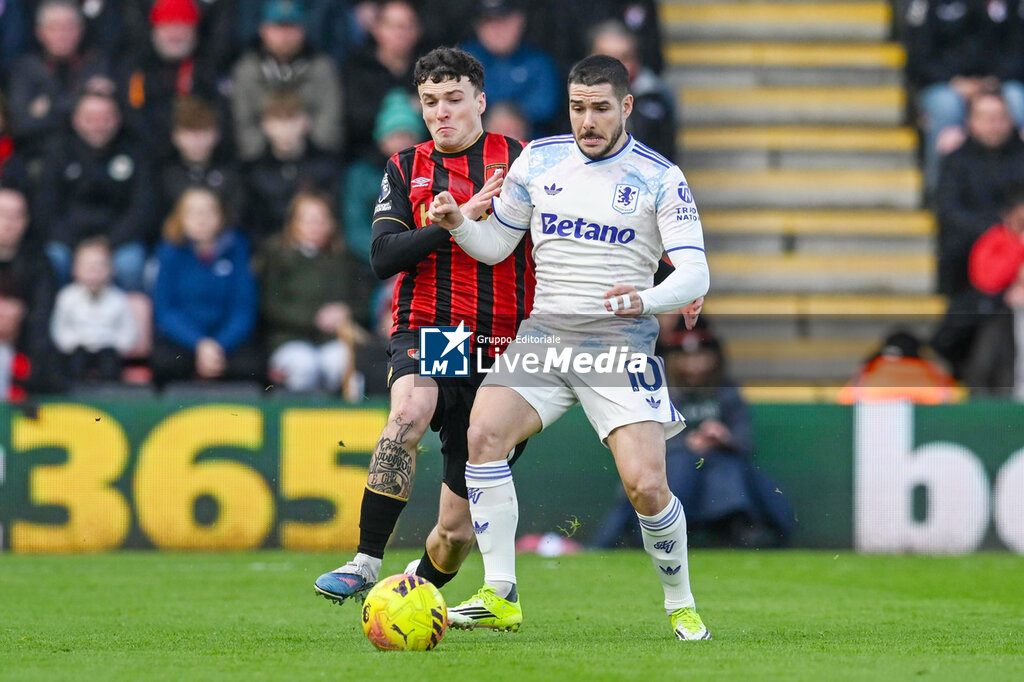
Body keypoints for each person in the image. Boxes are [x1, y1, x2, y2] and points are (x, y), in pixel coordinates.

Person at [428, 55, 710, 640]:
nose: (587, 120)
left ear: (626, 107)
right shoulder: (540, 159)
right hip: (546, 333)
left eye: (601, 108)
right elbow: (496, 246)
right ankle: (499, 593)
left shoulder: (660, 176)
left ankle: (680, 604)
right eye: (578, 107)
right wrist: (458, 222)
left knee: (647, 485)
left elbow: (694, 275)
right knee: (483, 434)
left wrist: (646, 299)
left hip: (617, 344)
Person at [313, 47, 535, 606]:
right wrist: (458, 220)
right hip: (433, 328)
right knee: (408, 413)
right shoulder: (405, 167)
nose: (442, 112)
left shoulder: (526, 163)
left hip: (505, 347)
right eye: (431, 101)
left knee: (455, 535)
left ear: (480, 102)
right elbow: (384, 256)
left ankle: (415, 594)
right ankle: (366, 561)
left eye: (455, 99)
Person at [593, 328, 792, 549]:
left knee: (728, 465)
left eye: (701, 356)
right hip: (673, 466)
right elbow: (644, 437)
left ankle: (739, 525)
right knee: (679, 467)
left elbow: (745, 442)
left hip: (720, 463)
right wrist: (685, 442)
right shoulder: (659, 389)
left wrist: (723, 437)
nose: (695, 363)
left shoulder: (726, 391)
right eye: (687, 357)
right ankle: (656, 532)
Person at [256, 190, 372, 397]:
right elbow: (270, 306)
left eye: (322, 219)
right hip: (289, 340)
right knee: (304, 366)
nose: (316, 226)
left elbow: (364, 301)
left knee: (343, 363)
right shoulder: (276, 256)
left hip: (334, 339)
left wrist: (345, 312)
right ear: (293, 223)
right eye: (309, 220)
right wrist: (313, 318)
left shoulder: (344, 258)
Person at [35, 90, 154, 291]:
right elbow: (45, 209)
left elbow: (144, 208)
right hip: (69, 241)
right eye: (90, 119)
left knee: (131, 265)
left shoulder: (135, 151)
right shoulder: (58, 152)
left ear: (118, 119)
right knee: (54, 259)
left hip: (118, 240)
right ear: (76, 120)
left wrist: (108, 243)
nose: (99, 126)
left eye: (106, 118)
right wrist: (79, 247)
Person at [151, 187, 262, 385]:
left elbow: (243, 309)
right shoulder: (169, 251)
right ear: (180, 218)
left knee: (250, 366)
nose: (201, 218)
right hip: (185, 339)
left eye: (208, 211)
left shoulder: (237, 248)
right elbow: (165, 311)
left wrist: (218, 344)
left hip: (226, 339)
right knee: (166, 363)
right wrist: (200, 344)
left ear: (220, 217)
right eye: (193, 212)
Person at [230, 0, 343, 161]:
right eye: (278, 27)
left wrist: (305, 143)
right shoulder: (247, 69)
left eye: (291, 27)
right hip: (260, 162)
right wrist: (269, 145)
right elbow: (242, 123)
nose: (284, 35)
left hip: (313, 158)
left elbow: (330, 122)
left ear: (303, 30)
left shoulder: (321, 66)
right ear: (263, 30)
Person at [243, 90, 339, 244]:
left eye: (292, 119)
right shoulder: (253, 171)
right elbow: (255, 226)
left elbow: (334, 217)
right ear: (265, 125)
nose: (285, 129)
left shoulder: (326, 165)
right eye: (277, 120)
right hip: (274, 256)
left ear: (306, 122)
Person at [461, 0, 560, 136]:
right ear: (477, 27)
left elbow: (546, 108)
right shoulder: (461, 62)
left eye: (504, 20)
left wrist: (511, 116)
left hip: (531, 148)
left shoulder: (538, 61)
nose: (497, 29)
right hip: (473, 150)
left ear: (519, 21)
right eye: (488, 22)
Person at [50, 236, 137, 382]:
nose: (94, 273)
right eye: (88, 267)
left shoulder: (119, 299)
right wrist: (72, 344)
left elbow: (129, 331)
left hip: (108, 350)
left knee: (110, 365)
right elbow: (60, 329)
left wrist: (115, 345)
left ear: (111, 270)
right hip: (77, 351)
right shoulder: (66, 297)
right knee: (74, 365)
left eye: (100, 267)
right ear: (75, 269)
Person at [589, 19, 676, 161]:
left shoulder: (656, 97)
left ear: (637, 61)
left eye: (625, 57)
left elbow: (665, 156)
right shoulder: (567, 96)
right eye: (607, 58)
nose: (616, 67)